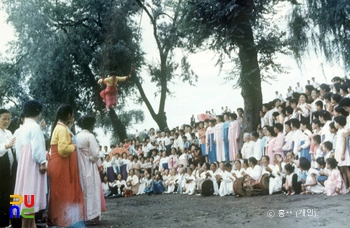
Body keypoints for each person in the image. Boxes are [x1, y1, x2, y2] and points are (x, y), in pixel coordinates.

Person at [48, 104, 84, 227]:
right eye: (73, 115)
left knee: (60, 193)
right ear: (69, 116)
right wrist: (74, 146)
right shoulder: (62, 129)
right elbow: (63, 150)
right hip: (60, 165)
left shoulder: (58, 127)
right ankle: (64, 221)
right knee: (64, 193)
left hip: (58, 164)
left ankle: (61, 220)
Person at [13, 101, 47, 228]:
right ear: (38, 112)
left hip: (23, 165)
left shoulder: (20, 129)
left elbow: (18, 150)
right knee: (30, 194)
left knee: (23, 193)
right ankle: (26, 226)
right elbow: (37, 147)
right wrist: (42, 162)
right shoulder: (34, 127)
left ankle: (31, 224)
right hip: (32, 164)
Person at [76, 115, 104, 222]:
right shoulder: (90, 136)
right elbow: (95, 154)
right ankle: (92, 216)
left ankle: (83, 216)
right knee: (92, 189)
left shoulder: (77, 136)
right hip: (89, 164)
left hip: (80, 165)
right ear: (91, 125)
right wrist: (92, 159)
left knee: (83, 190)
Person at [0, 109, 16, 227]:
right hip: (1, 166)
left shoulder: (9, 133)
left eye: (9, 119)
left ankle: (9, 222)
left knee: (10, 194)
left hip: (9, 167)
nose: (7, 121)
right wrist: (6, 146)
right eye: (4, 118)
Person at [333, 116, 350, 189]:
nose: (334, 124)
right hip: (338, 151)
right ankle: (345, 186)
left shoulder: (343, 131)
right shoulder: (339, 131)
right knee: (342, 169)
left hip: (343, 151)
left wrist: (343, 153)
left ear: (338, 123)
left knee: (346, 169)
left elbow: (344, 143)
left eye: (335, 122)